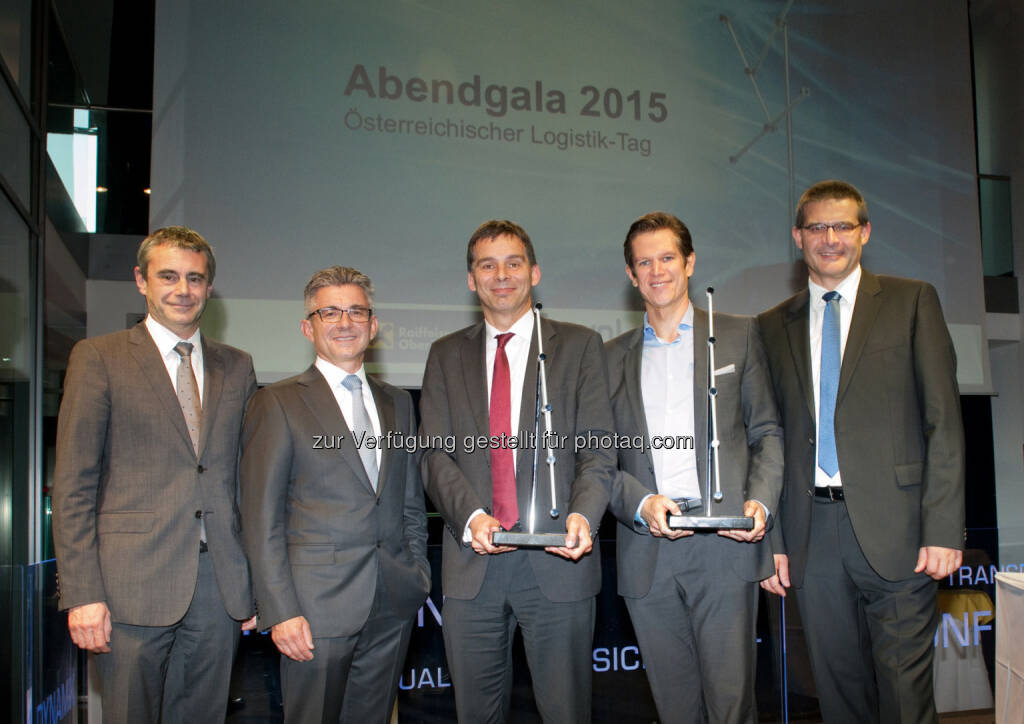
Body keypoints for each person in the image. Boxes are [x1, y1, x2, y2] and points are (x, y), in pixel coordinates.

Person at [758, 180, 965, 722]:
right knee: (837, 694)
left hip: (900, 533)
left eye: (843, 226)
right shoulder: (769, 326)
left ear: (865, 232)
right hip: (812, 535)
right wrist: (773, 542)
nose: (831, 238)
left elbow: (943, 419)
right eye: (818, 227)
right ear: (798, 237)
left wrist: (943, 528)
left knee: (904, 695)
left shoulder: (911, 300)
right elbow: (769, 440)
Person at [52, 226, 257, 723]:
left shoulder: (239, 367)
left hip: (219, 586)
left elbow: (245, 483)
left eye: (195, 278)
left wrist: (253, 587)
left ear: (209, 287)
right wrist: (83, 594)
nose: (182, 289)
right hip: (129, 585)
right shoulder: (98, 358)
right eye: (168, 276)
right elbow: (74, 485)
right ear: (142, 281)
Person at [419, 219, 616, 723]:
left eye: (512, 263)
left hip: (559, 562)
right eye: (487, 265)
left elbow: (597, 449)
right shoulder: (445, 354)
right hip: (474, 566)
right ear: (471, 279)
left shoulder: (579, 345)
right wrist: (471, 516)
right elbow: (435, 454)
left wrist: (585, 515)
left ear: (534, 272)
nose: (500, 275)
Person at [604, 212, 783, 723]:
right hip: (648, 550)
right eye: (644, 261)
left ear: (689, 263)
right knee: (674, 708)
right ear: (630, 274)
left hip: (726, 545)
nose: (656, 270)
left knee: (732, 707)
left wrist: (761, 502)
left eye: (666, 257)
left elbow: (767, 432)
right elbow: (597, 457)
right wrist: (638, 501)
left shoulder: (738, 337)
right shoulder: (608, 357)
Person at [239, 266, 430, 723]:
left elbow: (408, 502)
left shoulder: (398, 402)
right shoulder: (277, 402)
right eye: (330, 312)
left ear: (374, 324)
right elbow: (261, 517)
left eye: (356, 311)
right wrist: (279, 609)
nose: (345, 322)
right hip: (313, 610)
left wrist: (416, 574)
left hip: (392, 600)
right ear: (308, 327)